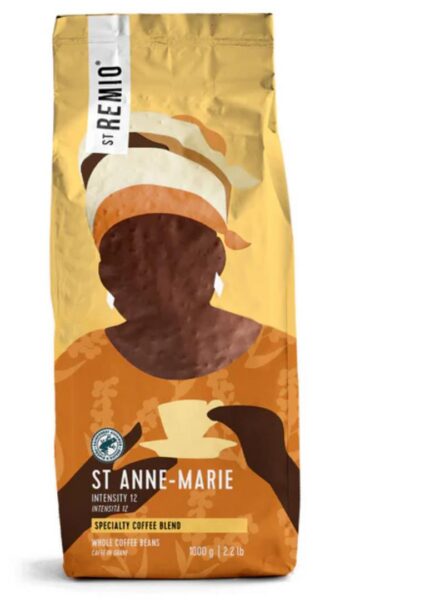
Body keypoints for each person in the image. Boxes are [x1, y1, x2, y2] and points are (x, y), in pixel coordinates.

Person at [55, 113, 299, 576]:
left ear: (216, 257)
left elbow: (286, 525)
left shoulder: (273, 357)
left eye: (176, 253)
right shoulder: (81, 366)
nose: (158, 278)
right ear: (108, 275)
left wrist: (275, 464)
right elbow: (74, 522)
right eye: (131, 256)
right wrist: (90, 496)